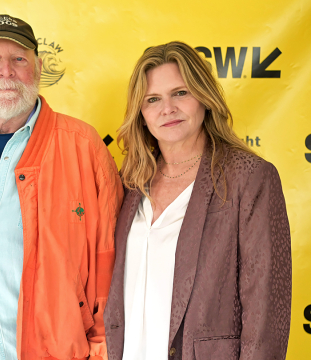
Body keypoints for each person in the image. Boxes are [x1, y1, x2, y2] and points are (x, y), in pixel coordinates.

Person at [0, 14, 123, 360]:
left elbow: (112, 264)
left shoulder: (84, 147)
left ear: (39, 68)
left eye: (19, 59)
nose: (6, 71)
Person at [103, 41, 292, 360]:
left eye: (180, 93)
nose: (167, 109)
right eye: (153, 99)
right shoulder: (131, 182)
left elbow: (266, 316)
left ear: (204, 97)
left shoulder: (249, 178)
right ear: (141, 113)